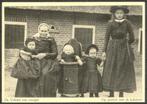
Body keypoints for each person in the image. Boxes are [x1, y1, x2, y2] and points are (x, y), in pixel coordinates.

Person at [102, 6, 136, 97]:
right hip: (112, 48)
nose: (119, 15)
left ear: (124, 14)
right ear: (114, 14)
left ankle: (121, 92)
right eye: (117, 13)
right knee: (112, 68)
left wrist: (126, 44)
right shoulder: (110, 23)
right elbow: (106, 38)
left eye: (121, 13)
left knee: (122, 69)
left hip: (124, 49)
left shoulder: (127, 23)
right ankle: (111, 92)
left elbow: (132, 37)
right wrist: (104, 51)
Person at [32, 23, 59, 97]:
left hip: (48, 61)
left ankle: (47, 96)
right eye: (42, 31)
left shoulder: (51, 39)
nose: (43, 32)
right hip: (35, 60)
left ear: (48, 31)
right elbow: (29, 49)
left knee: (45, 74)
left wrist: (44, 55)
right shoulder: (33, 38)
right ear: (38, 30)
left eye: (45, 31)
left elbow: (55, 53)